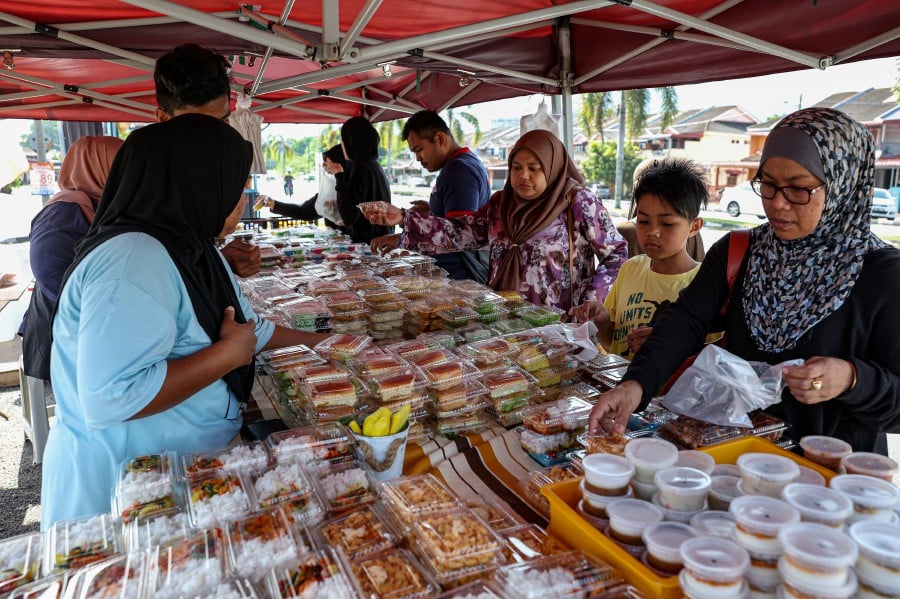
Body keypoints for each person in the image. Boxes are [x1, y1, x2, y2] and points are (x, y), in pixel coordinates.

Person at [40, 114, 332, 528]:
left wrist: (334, 344)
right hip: (125, 489)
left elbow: (248, 327)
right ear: (196, 183)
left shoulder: (190, 244)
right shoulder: (133, 259)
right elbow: (111, 396)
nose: (243, 199)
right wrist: (227, 357)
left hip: (177, 473)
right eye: (234, 185)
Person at [589, 108, 900, 454]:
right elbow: (686, 319)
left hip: (828, 484)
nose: (777, 204)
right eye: (768, 184)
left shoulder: (883, 276)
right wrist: (636, 384)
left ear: (844, 184)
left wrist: (853, 379)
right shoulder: (743, 251)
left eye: (798, 189)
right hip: (732, 460)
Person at [364, 128, 627, 310]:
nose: (523, 175)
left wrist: (592, 300)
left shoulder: (577, 202)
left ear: (553, 167)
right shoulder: (502, 203)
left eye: (534, 169)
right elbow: (459, 233)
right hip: (506, 316)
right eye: (516, 167)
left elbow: (616, 253)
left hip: (563, 324)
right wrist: (403, 218)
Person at [573, 159, 714, 357]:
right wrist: (603, 321)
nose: (652, 232)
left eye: (666, 224)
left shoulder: (704, 284)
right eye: (644, 221)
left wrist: (670, 347)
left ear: (694, 227)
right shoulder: (631, 269)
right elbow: (613, 342)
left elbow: (712, 359)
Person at [19, 136, 124, 388]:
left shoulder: (104, 206)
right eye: (122, 166)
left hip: (97, 334)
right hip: (64, 340)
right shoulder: (63, 214)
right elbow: (51, 274)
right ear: (98, 168)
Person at [154, 43, 261, 277]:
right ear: (163, 119)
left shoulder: (215, 179)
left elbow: (190, 254)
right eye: (196, 125)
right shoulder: (153, 194)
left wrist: (219, 261)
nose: (215, 137)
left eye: (221, 122)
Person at [370, 110, 491, 281]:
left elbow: (458, 235)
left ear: (440, 139)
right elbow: (458, 221)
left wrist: (403, 229)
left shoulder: (459, 171)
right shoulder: (464, 163)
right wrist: (432, 210)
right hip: (454, 272)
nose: (418, 158)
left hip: (460, 275)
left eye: (419, 149)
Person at [257, 145, 347, 232]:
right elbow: (303, 211)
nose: (328, 172)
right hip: (339, 244)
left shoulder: (355, 189)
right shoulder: (328, 194)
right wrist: (274, 204)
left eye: (331, 169)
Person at [336, 116, 393, 244]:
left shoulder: (361, 168)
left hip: (369, 247)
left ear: (352, 142)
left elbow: (348, 215)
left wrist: (338, 175)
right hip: (380, 242)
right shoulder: (374, 165)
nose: (342, 145)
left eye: (343, 140)